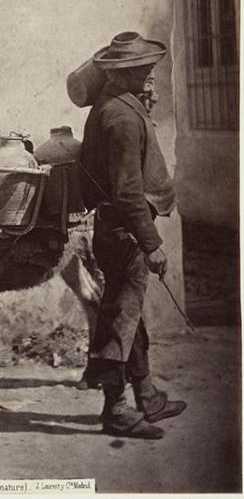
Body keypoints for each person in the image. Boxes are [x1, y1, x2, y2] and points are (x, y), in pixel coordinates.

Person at [79, 31, 187, 439]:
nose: (148, 74)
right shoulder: (121, 117)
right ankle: (116, 410)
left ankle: (148, 396)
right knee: (120, 322)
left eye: (148, 67)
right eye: (139, 69)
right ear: (118, 74)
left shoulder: (119, 104)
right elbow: (126, 190)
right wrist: (152, 244)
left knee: (129, 314)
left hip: (118, 229)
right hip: (126, 232)